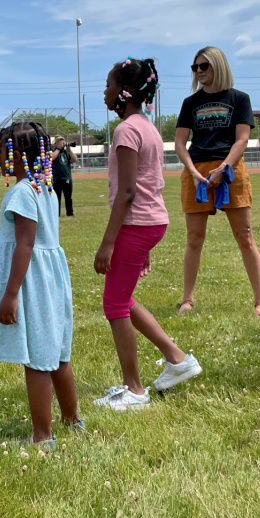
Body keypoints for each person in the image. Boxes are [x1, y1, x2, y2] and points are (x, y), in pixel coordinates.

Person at [93, 58, 203, 411]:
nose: (105, 91)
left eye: (109, 85)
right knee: (122, 299)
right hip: (150, 222)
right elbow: (146, 183)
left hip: (136, 224)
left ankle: (135, 391)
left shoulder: (126, 130)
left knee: (114, 305)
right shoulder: (149, 127)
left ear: (123, 92)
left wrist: (108, 243)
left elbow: (128, 192)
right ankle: (176, 358)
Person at [0, 121, 82, 447]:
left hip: (31, 283)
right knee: (57, 356)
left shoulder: (23, 192)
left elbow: (25, 244)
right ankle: (72, 420)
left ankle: (43, 437)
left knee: (38, 360)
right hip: (50, 279)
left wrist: (10, 294)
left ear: (15, 156)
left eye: (1, 150)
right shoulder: (46, 188)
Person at [175, 46, 260, 317]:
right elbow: (180, 143)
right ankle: (187, 299)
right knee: (194, 238)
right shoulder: (190, 103)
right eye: (195, 67)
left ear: (218, 65)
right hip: (197, 172)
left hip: (230, 169)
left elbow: (242, 139)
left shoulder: (239, 99)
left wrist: (224, 167)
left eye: (204, 66)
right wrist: (193, 172)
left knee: (245, 237)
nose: (199, 71)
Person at [51, 136, 77, 217]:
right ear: (56, 143)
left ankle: (70, 213)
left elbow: (75, 159)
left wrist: (70, 151)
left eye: (63, 142)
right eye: (60, 142)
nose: (62, 144)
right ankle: (56, 214)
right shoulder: (53, 151)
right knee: (56, 198)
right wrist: (58, 149)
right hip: (56, 178)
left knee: (68, 197)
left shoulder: (66, 152)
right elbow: (51, 158)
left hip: (67, 178)